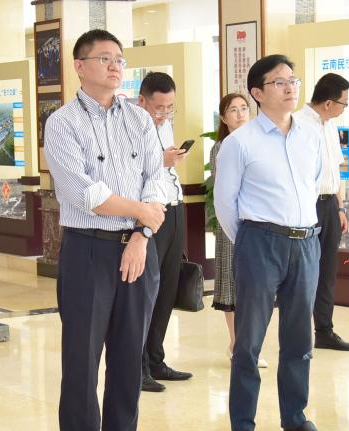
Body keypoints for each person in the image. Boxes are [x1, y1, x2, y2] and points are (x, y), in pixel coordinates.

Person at [44, 29, 170, 430]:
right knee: (81, 361)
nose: (115, 66)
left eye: (119, 59)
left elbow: (157, 180)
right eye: (104, 58)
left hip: (139, 250)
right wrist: (141, 213)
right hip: (88, 251)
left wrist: (141, 236)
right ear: (79, 66)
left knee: (130, 360)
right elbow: (83, 193)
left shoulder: (139, 118)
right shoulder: (62, 123)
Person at [214, 54, 322, 431]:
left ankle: (295, 417)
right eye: (279, 82)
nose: (290, 87)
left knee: (299, 339)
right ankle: (243, 422)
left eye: (293, 80)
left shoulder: (311, 136)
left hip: (306, 243)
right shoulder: (239, 143)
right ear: (258, 93)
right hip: (260, 243)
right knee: (248, 343)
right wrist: (251, 241)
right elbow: (225, 203)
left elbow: (313, 186)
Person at [292, 73, 349, 352]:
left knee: (327, 270)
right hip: (306, 205)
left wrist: (340, 208)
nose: (345, 108)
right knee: (303, 271)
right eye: (344, 103)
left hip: (330, 205)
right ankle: (297, 333)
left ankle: (324, 331)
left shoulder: (330, 125)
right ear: (329, 103)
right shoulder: (296, 123)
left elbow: (336, 171)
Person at [135, 71, 193, 393]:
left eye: (170, 107)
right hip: (149, 211)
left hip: (174, 207)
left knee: (169, 287)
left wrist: (170, 160)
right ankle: (139, 366)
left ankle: (156, 359)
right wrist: (162, 159)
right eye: (159, 107)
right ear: (142, 101)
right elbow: (130, 169)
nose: (165, 113)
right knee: (148, 291)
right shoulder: (130, 126)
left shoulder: (164, 124)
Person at [209, 93, 267, 369]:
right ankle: (236, 343)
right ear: (223, 118)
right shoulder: (221, 147)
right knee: (232, 286)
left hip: (257, 223)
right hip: (231, 223)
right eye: (234, 110)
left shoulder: (259, 143)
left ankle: (249, 344)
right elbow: (225, 192)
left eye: (244, 108)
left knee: (255, 286)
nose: (241, 114)